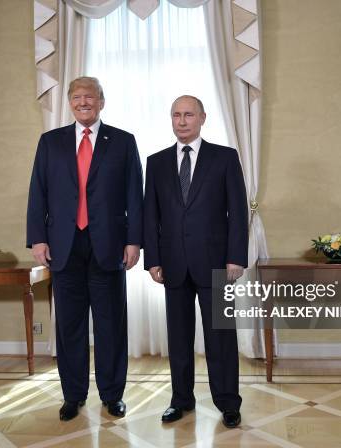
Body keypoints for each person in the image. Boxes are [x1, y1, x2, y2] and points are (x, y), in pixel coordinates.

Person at [27, 76, 143, 421]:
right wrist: (38, 237)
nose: (83, 103)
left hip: (108, 246)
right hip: (63, 246)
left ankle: (112, 395)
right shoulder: (50, 142)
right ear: (69, 103)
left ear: (101, 101)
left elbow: (134, 196)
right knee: (69, 326)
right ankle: (73, 395)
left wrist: (134, 241)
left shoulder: (122, 142)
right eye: (76, 97)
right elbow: (38, 192)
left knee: (110, 325)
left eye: (89, 97)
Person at [143, 95, 248, 428]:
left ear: (203, 118)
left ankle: (228, 402)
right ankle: (181, 400)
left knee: (221, 334)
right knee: (178, 336)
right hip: (173, 263)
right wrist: (153, 259)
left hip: (217, 263)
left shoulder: (225, 158)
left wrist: (236, 257)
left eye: (189, 114)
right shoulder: (156, 162)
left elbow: (238, 213)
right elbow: (150, 216)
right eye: (176, 115)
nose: (182, 121)